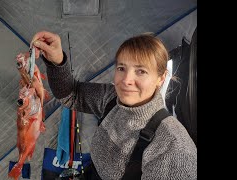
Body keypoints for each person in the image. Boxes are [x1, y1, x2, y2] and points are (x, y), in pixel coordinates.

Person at [29, 31, 197, 180]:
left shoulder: (174, 148)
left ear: (161, 78)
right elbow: (71, 95)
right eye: (121, 68)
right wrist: (57, 61)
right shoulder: (111, 98)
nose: (126, 81)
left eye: (141, 71)